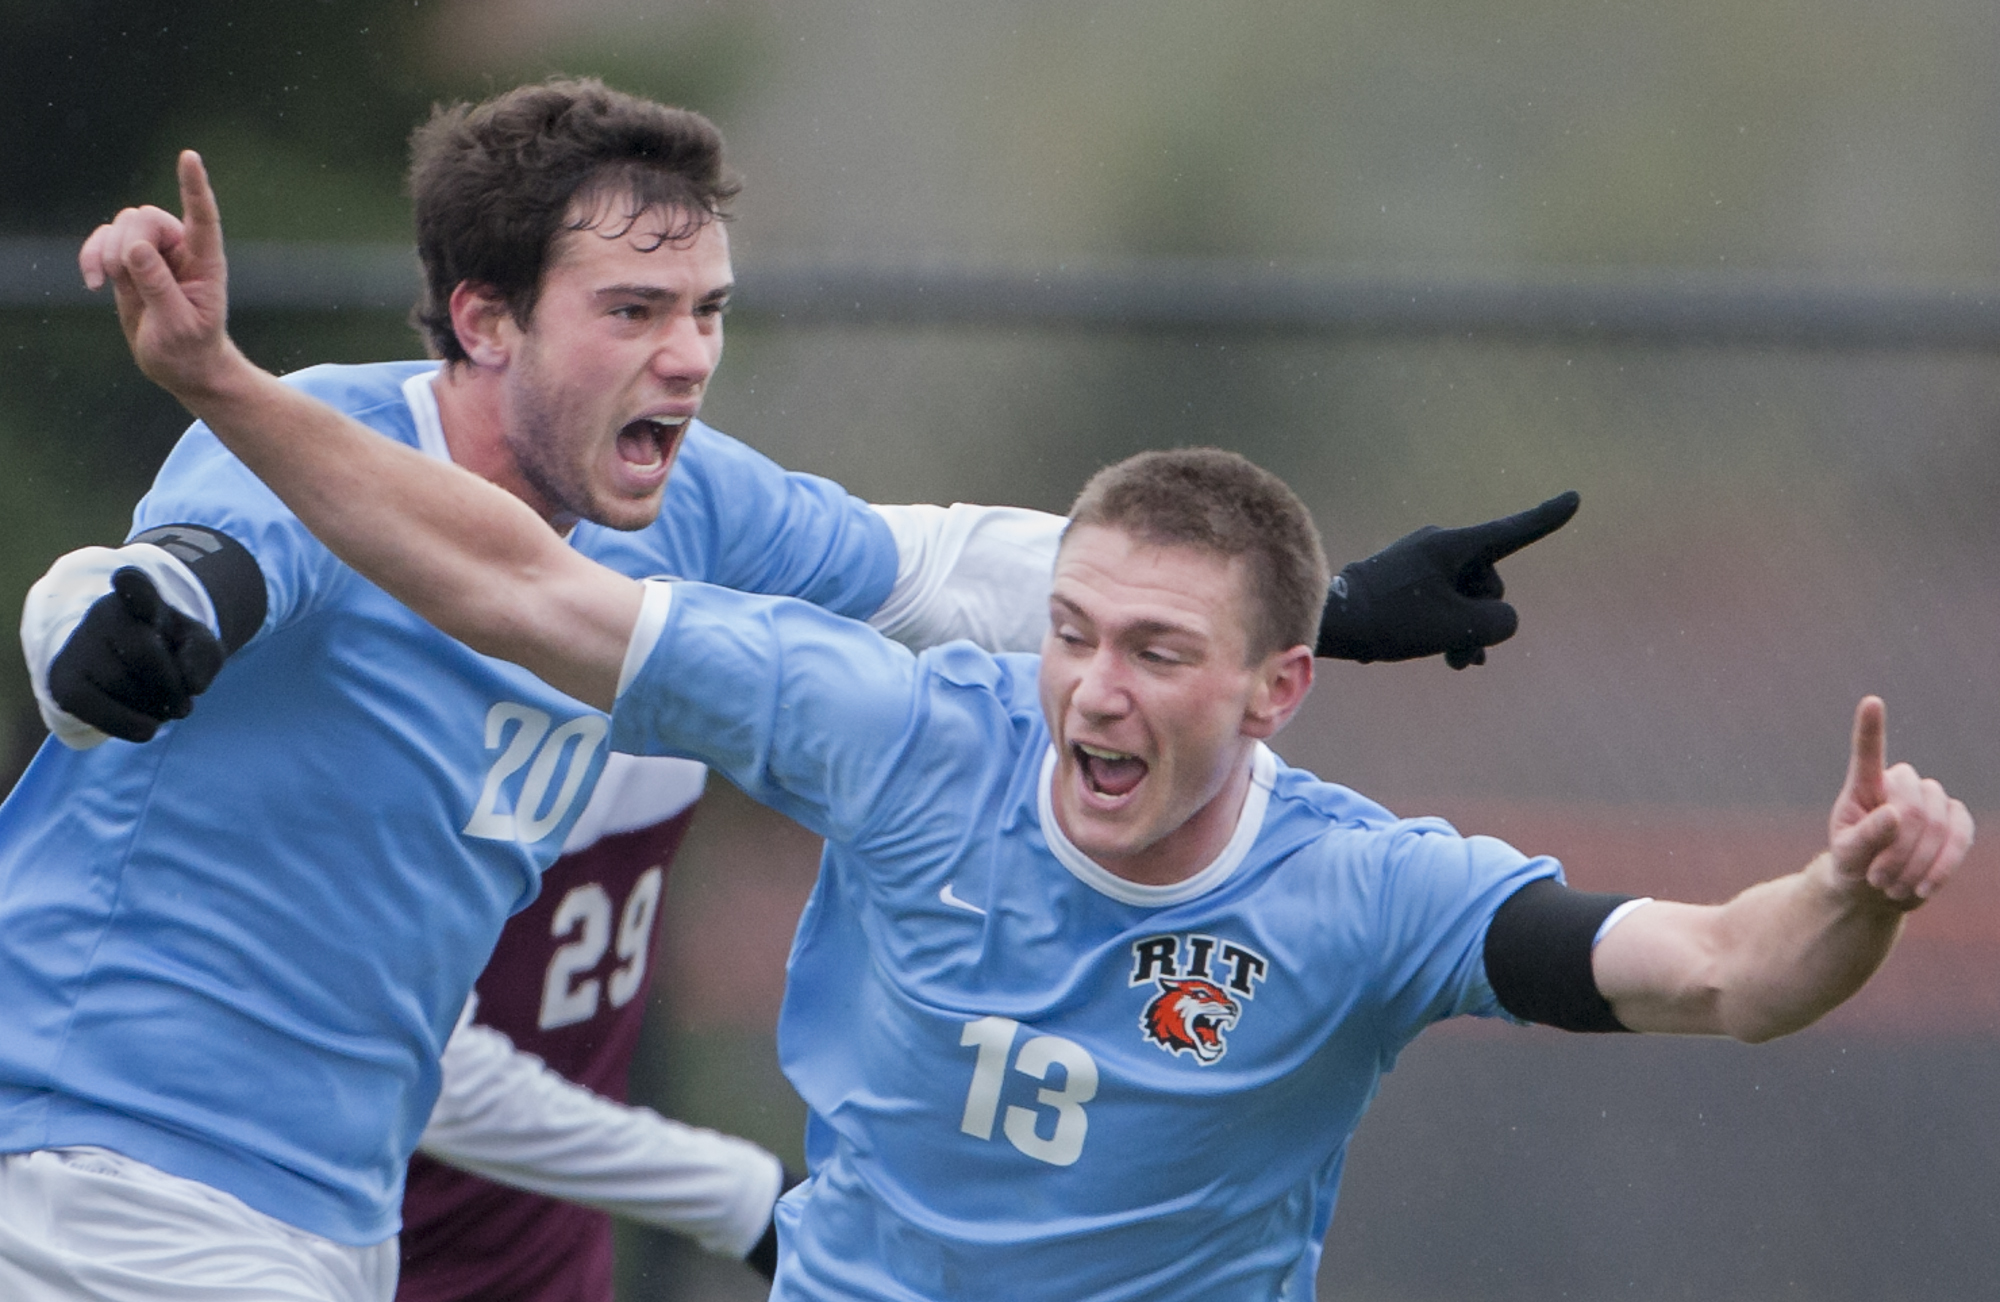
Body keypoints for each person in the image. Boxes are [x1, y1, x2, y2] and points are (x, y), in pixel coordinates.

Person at [99, 152, 1975, 1302]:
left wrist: (1855, 891)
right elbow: (522, 584)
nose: (1089, 683)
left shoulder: (1369, 898)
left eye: (1158, 651)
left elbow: (1729, 970)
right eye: (1073, 631)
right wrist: (227, 389)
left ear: (1280, 685)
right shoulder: (905, 738)